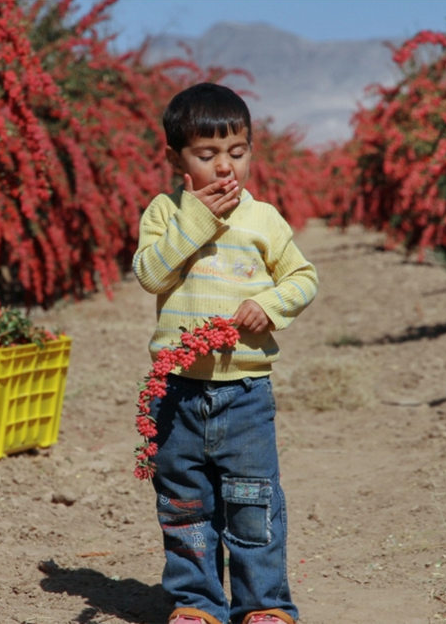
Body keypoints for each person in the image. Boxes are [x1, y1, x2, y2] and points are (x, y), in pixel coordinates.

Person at [131, 82, 319, 624]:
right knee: (184, 505)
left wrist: (271, 303)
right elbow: (150, 274)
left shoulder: (263, 219)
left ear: (250, 151)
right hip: (176, 395)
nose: (225, 167)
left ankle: (264, 606)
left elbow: (303, 277)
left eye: (236, 153)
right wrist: (197, 219)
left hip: (244, 395)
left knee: (252, 501)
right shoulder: (165, 214)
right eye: (207, 155)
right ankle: (197, 604)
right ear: (176, 159)